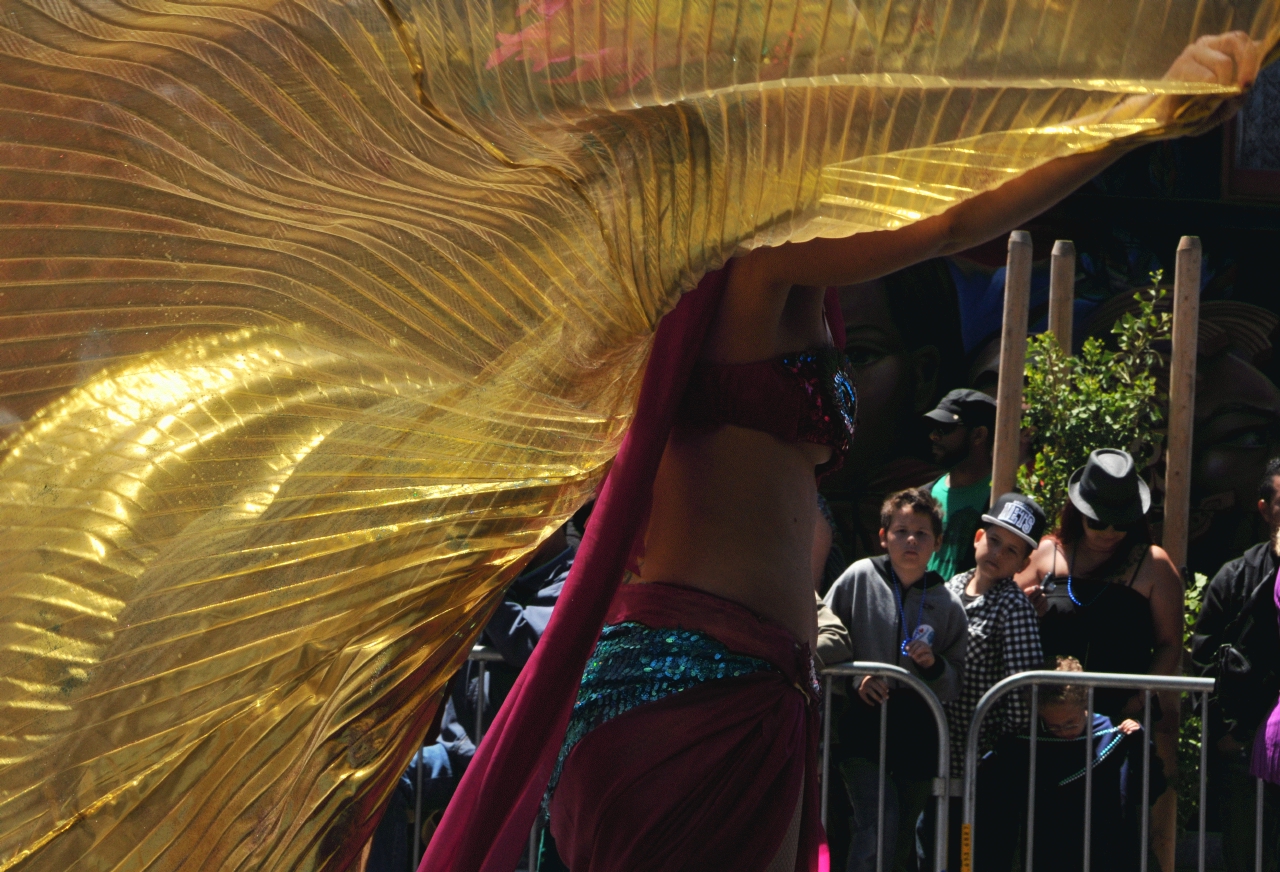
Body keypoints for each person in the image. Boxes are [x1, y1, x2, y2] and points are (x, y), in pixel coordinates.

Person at [431, 36, 1264, 872]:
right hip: (686, 690)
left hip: (738, 688)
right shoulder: (745, 263)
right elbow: (953, 220)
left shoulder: (761, 270)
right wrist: (1138, 117)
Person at [824, 488, 967, 872]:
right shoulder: (858, 577)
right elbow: (822, 637)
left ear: (937, 543)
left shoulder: (947, 602)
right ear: (883, 536)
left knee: (901, 837)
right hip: (860, 727)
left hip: (917, 734)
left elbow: (955, 680)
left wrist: (934, 666)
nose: (910, 540)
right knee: (877, 823)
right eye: (901, 530)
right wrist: (854, 675)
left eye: (922, 534)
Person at [931, 492, 1045, 870]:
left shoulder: (1013, 607)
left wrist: (1002, 755)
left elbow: (1021, 690)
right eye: (994, 540)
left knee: (977, 858)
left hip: (986, 763)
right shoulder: (949, 589)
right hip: (941, 753)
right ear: (978, 538)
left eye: (1011, 550)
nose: (997, 553)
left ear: (1024, 563)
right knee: (936, 850)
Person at [975, 656, 1165, 872]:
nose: (1064, 733)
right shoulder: (1031, 742)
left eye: (1071, 723)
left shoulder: (1114, 734)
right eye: (1054, 727)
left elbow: (1153, 788)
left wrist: (1141, 745)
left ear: (1085, 703)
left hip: (1107, 850)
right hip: (1051, 853)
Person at [1194, 459, 1280, 871]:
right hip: (1248, 755)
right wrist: (1226, 736)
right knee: (1248, 857)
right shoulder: (1236, 578)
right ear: (1265, 509)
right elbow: (1201, 661)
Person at [924, 389, 998, 581]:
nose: (933, 436)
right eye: (933, 428)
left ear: (978, 435)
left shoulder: (1000, 501)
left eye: (944, 428)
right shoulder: (923, 497)